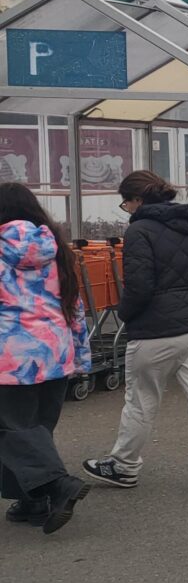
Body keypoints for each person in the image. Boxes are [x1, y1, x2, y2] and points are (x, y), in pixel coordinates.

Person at [83, 171, 188, 494]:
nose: (126, 209)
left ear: (138, 200)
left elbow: (139, 286)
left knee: (141, 400)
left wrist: (125, 315)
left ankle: (123, 466)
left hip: (157, 329)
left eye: (126, 203)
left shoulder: (139, 231)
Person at [0, 183, 91, 534]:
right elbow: (74, 305)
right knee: (35, 431)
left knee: (13, 430)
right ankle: (32, 501)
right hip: (55, 352)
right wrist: (80, 354)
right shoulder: (56, 249)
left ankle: (58, 486)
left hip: (10, 357)